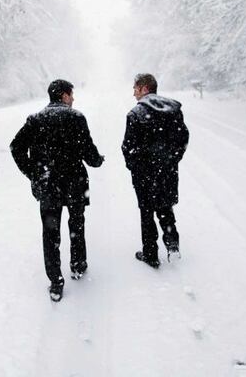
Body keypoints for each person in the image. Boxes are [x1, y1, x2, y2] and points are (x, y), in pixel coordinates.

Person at [10, 79, 104, 302]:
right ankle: (78, 265)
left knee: (50, 233)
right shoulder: (76, 118)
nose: (73, 99)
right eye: (71, 94)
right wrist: (97, 160)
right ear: (63, 95)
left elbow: (16, 147)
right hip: (74, 183)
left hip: (48, 185)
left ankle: (55, 281)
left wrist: (33, 173)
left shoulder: (35, 120)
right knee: (77, 224)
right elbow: (88, 151)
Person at [122, 73, 189, 269]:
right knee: (165, 205)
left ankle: (150, 254)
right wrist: (172, 159)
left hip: (144, 173)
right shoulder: (173, 110)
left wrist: (135, 166)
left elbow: (128, 147)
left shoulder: (135, 114)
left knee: (147, 211)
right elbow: (183, 138)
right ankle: (172, 244)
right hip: (168, 170)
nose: (134, 93)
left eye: (135, 89)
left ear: (144, 88)